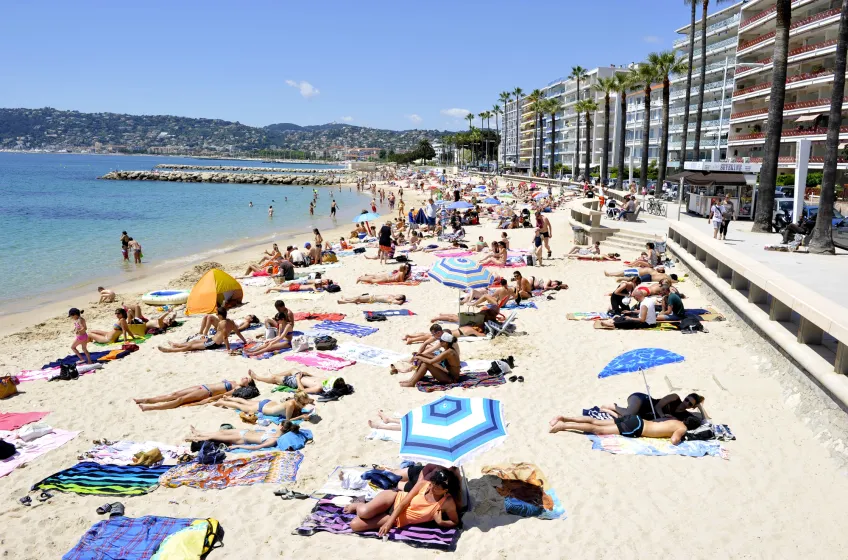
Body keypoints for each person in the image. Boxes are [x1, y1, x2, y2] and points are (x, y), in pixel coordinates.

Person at [345, 468, 459, 535]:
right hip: (394, 500)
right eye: (434, 483)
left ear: (446, 490)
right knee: (363, 512)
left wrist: (441, 522)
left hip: (398, 519)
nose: (433, 487)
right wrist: (389, 522)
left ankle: (373, 511)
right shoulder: (424, 484)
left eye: (438, 486)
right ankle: (359, 504)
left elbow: (455, 522)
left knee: (355, 525)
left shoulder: (447, 502)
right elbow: (404, 503)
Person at [548, 414, 688, 445]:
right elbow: (674, 440)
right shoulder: (682, 427)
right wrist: (681, 436)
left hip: (637, 419)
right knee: (598, 429)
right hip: (637, 427)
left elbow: (659, 419)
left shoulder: (674, 419)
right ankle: (564, 426)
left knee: (596, 421)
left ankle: (564, 417)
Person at [134, 377, 254, 411]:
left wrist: (207, 400)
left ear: (246, 385)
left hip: (206, 392)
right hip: (202, 386)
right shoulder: (233, 381)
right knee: (174, 393)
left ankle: (150, 407)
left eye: (247, 379)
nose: (244, 377)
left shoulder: (236, 387)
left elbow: (223, 395)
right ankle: (146, 400)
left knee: (180, 399)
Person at [158, 307, 246, 352]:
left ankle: (170, 350)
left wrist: (228, 349)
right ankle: (176, 344)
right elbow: (237, 332)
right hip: (211, 340)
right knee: (193, 342)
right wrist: (244, 341)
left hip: (213, 343)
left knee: (191, 347)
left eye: (217, 314)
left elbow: (225, 337)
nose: (216, 315)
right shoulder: (231, 321)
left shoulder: (221, 323)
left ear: (219, 315)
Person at [184, 420, 301, 451]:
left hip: (241, 439)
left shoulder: (273, 439)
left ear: (281, 427)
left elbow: (255, 447)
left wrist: (237, 447)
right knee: (220, 432)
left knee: (213, 437)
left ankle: (193, 438)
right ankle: (199, 432)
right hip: (244, 432)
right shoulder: (272, 432)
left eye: (279, 424)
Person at [600, 392, 706, 422]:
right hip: (642, 400)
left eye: (690, 404)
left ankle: (611, 412)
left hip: (645, 414)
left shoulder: (684, 414)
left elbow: (704, 421)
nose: (686, 403)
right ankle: (614, 406)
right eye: (687, 399)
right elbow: (658, 407)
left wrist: (700, 407)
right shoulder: (675, 397)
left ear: (692, 407)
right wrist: (662, 416)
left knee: (628, 420)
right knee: (629, 414)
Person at [216, 390, 314, 421]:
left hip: (268, 403)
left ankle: (228, 397)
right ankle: (222, 402)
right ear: (298, 401)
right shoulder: (290, 405)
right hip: (263, 408)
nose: (305, 405)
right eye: (303, 403)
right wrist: (301, 416)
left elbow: (308, 399)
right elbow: (287, 420)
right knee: (240, 406)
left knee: (246, 402)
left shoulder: (297, 399)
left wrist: (310, 401)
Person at [604, 265, 676, 284]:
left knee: (624, 273)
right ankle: (611, 274)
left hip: (640, 274)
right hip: (640, 272)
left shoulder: (665, 276)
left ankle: (610, 274)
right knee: (623, 272)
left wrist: (677, 280)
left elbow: (673, 281)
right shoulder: (662, 274)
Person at [338, 294, 407, 305]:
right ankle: (346, 299)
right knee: (358, 297)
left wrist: (402, 300)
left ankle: (344, 302)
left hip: (373, 299)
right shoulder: (393, 296)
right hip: (373, 296)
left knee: (358, 298)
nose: (398, 295)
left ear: (399, 298)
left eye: (399, 296)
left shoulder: (393, 300)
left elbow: (399, 303)